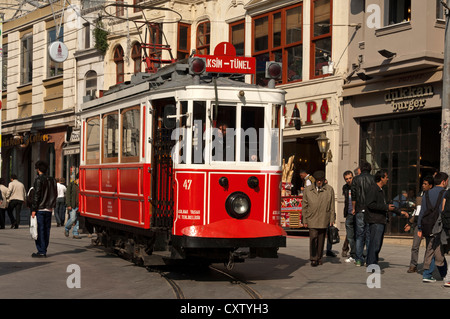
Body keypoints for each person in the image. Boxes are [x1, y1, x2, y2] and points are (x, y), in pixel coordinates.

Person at [418, 172, 449, 282]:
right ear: (443, 181)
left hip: (427, 226)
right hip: (440, 227)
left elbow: (422, 212)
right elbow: (444, 211)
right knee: (438, 251)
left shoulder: (426, 194)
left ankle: (439, 273)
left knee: (430, 249)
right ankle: (433, 273)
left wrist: (419, 227)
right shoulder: (445, 193)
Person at [302, 170, 336, 267]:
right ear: (314, 180)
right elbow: (304, 205)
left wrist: (332, 219)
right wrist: (304, 220)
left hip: (323, 217)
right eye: (317, 180)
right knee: (313, 238)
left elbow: (332, 205)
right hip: (311, 217)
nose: (319, 182)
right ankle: (313, 258)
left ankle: (319, 258)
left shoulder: (329, 190)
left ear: (324, 180)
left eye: (321, 180)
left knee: (321, 239)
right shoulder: (308, 190)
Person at [365, 170, 397, 269]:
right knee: (375, 244)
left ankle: (372, 262)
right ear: (381, 178)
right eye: (386, 177)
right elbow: (370, 204)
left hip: (380, 220)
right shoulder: (373, 189)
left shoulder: (381, 190)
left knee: (377, 244)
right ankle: (371, 264)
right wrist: (386, 207)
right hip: (375, 220)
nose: (387, 179)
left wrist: (399, 211)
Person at [404, 175, 434, 273]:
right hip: (419, 223)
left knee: (429, 247)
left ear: (431, 185)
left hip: (430, 224)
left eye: (425, 184)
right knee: (415, 246)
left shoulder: (433, 195)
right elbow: (417, 210)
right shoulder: (420, 194)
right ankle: (413, 265)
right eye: (423, 184)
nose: (423, 186)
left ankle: (427, 266)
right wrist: (410, 222)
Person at [31, 160, 57, 258]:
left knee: (40, 230)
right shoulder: (52, 180)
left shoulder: (38, 180)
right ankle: (44, 248)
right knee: (47, 230)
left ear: (38, 169)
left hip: (40, 209)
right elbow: (55, 194)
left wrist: (34, 209)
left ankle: (41, 251)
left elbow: (36, 195)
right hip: (49, 209)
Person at [351, 161, 374, 267]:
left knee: (359, 235)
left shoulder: (356, 179)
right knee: (369, 235)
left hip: (360, 209)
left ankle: (359, 259)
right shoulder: (373, 179)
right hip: (370, 209)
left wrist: (354, 208)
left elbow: (354, 196)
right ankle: (369, 259)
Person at [341, 170, 356, 262]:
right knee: (350, 235)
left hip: (357, 213)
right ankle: (350, 251)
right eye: (346, 179)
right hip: (349, 213)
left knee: (357, 234)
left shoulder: (357, 186)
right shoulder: (345, 188)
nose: (349, 180)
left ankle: (354, 252)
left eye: (350, 178)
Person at [65, 174, 80, 239]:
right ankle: (67, 228)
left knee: (77, 220)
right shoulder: (71, 184)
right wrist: (68, 204)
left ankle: (75, 233)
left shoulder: (82, 185)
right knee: (73, 218)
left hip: (80, 205)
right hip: (73, 205)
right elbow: (68, 195)